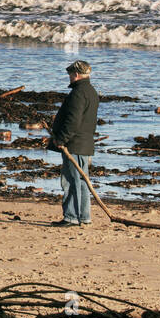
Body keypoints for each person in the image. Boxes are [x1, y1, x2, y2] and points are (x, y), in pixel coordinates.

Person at [48, 59, 99, 227]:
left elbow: (73, 121)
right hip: (85, 143)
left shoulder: (78, 93)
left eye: (70, 74)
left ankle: (71, 216)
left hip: (75, 144)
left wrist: (61, 140)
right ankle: (84, 216)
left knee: (71, 181)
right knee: (82, 181)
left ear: (76, 75)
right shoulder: (91, 91)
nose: (69, 77)